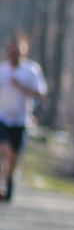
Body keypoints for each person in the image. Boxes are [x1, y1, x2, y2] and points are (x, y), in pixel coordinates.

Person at [0, 37, 47, 202]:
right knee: (3, 148)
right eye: (11, 52)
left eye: (17, 52)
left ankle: (9, 181)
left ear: (24, 52)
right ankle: (2, 183)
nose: (14, 55)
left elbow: (40, 94)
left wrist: (21, 86)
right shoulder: (2, 70)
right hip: (2, 117)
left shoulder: (31, 71)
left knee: (13, 154)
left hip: (21, 120)